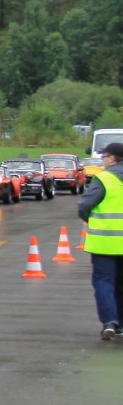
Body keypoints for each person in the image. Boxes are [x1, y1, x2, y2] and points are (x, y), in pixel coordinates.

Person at [78, 141, 123, 340]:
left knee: (104, 282)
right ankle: (121, 326)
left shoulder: (103, 178)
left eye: (104, 156)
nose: (103, 160)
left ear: (112, 158)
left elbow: (85, 205)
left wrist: (89, 219)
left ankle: (110, 322)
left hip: (105, 242)